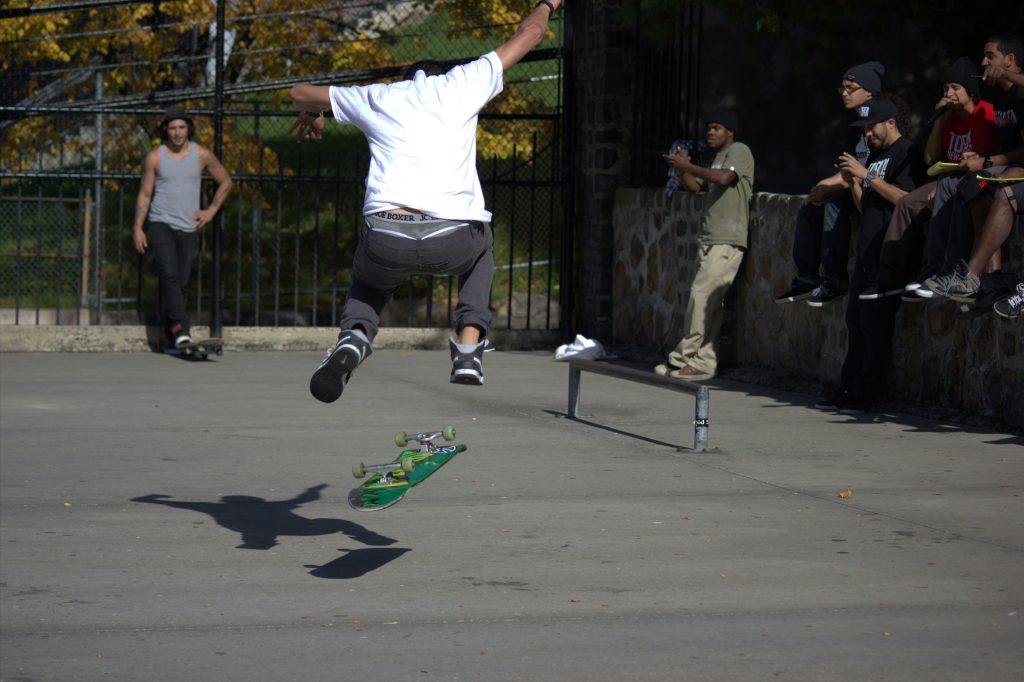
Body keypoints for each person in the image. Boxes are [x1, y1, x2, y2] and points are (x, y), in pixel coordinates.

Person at [286, 0, 562, 403]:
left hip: (386, 236)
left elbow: (297, 92)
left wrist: (314, 113)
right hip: (452, 240)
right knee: (482, 241)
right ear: (442, 76)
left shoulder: (380, 96)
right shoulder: (463, 84)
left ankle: (353, 340)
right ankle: (468, 349)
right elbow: (531, 34)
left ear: (405, 78)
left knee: (368, 282)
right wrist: (547, 4)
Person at [815, 97, 926, 414]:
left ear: (890, 122)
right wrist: (853, 183)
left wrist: (867, 176)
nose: (867, 135)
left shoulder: (908, 154)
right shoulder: (876, 157)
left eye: (871, 127)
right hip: (867, 250)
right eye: (863, 130)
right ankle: (849, 388)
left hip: (891, 252)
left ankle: (868, 394)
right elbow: (869, 207)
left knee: (876, 324)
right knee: (857, 322)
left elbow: (907, 201)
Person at [866, 57, 998, 301]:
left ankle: (941, 271)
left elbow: (976, 159)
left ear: (970, 90)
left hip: (973, 178)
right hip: (951, 176)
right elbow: (929, 158)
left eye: (955, 88)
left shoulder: (985, 112)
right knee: (907, 203)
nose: (948, 93)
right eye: (945, 88)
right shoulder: (948, 119)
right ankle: (890, 279)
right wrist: (939, 121)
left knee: (946, 195)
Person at [913, 34, 1024, 302]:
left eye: (990, 56)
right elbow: (929, 159)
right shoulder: (1002, 97)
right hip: (1008, 164)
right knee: (972, 187)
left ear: (1009, 60)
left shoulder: (1018, 94)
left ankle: (967, 275)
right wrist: (984, 158)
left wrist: (987, 163)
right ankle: (988, 279)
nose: (983, 62)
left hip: (1017, 170)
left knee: (990, 188)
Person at [654, 106, 755, 381]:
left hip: (727, 239)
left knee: (700, 298)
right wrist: (682, 168)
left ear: (730, 132)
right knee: (709, 303)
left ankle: (682, 357)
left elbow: (725, 178)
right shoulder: (717, 157)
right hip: (711, 239)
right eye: (708, 128)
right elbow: (696, 187)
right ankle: (703, 362)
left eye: (717, 128)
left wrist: (689, 166)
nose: (710, 132)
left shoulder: (740, 152)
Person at [776, 61, 884, 307]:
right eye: (842, 89)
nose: (845, 94)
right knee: (812, 204)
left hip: (876, 188)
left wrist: (833, 186)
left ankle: (834, 279)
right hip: (857, 182)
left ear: (869, 92)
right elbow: (854, 163)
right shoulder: (860, 124)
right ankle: (807, 277)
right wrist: (826, 184)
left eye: (851, 88)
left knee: (833, 201)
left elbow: (868, 169)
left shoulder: (879, 120)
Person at [132, 106, 233, 348]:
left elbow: (226, 181)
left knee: (181, 282)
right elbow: (145, 195)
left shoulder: (202, 155)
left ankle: (171, 331)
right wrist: (138, 227)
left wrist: (211, 211)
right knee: (168, 274)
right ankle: (182, 330)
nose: (177, 133)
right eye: (172, 128)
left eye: (181, 128)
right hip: (160, 223)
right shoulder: (155, 157)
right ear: (165, 131)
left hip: (188, 227)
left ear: (188, 129)